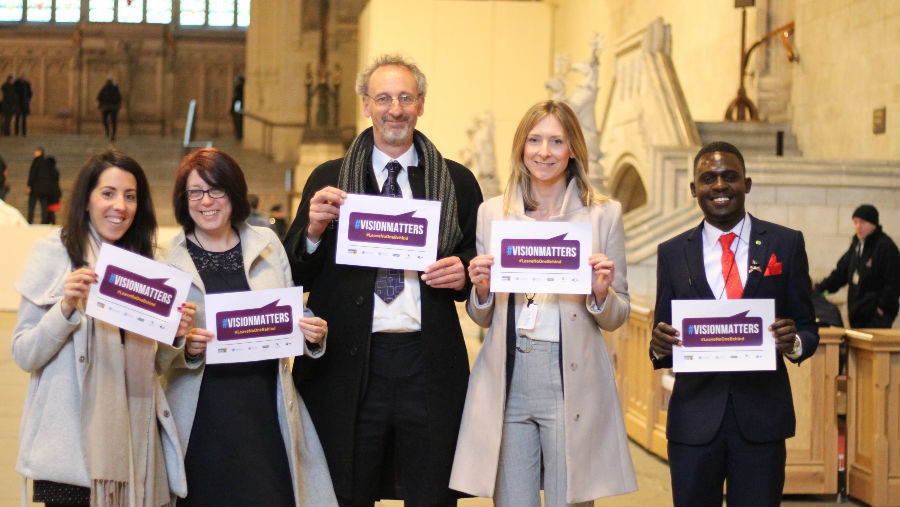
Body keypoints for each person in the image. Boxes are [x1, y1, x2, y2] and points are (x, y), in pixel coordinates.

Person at [284, 54, 483, 506]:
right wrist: (313, 230)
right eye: (384, 98)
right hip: (346, 362)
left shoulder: (456, 181)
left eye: (406, 98)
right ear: (366, 104)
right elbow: (296, 272)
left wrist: (464, 272)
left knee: (431, 491)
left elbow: (478, 261)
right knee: (343, 489)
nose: (395, 109)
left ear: (422, 104)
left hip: (426, 361)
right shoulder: (329, 178)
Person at [449, 100, 636, 506]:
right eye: (534, 140)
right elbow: (482, 317)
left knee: (569, 501)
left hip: (571, 377)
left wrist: (601, 293)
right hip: (510, 373)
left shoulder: (603, 214)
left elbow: (618, 314)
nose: (543, 152)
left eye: (555, 141)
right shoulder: (492, 213)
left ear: (573, 149)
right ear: (521, 147)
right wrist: (480, 289)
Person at [12, 149, 194, 506]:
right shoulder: (54, 254)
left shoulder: (148, 269)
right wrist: (64, 308)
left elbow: (155, 366)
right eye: (108, 193)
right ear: (86, 200)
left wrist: (175, 335)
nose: (120, 206)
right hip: (70, 456)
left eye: (130, 196)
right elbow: (24, 353)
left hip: (137, 447)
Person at [159, 148, 337, 507]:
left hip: (265, 408)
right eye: (195, 192)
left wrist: (312, 334)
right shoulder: (167, 259)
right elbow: (156, 353)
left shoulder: (267, 243)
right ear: (183, 199)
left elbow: (288, 314)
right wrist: (185, 347)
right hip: (201, 413)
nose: (206, 201)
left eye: (216, 190)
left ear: (234, 193)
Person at [649, 141, 819, 507]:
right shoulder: (672, 252)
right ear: (694, 189)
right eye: (708, 178)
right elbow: (661, 332)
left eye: (730, 177)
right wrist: (658, 344)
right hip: (694, 420)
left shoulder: (786, 244)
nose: (720, 186)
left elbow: (807, 326)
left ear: (748, 183)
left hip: (761, 419)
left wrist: (794, 341)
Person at [815, 205, 900, 328]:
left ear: (873, 224)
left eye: (863, 222)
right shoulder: (856, 246)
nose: (858, 226)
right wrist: (819, 288)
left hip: (876, 316)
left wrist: (883, 308)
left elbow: (893, 282)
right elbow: (840, 274)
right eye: (855, 222)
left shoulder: (885, 247)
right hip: (857, 314)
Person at [27, 147, 57, 224]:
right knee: (44, 206)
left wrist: (29, 185)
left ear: (39, 152)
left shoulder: (36, 161)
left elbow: (32, 174)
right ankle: (44, 221)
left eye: (36, 151)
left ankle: (30, 220)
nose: (34, 153)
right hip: (45, 189)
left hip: (35, 188)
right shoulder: (47, 163)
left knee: (32, 205)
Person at [14, 70, 32, 136]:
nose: (23, 76)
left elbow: (30, 92)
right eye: (22, 75)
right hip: (18, 103)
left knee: (24, 119)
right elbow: (14, 92)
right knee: (17, 118)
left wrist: (28, 99)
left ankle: (24, 132)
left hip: (24, 103)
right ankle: (16, 132)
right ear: (20, 75)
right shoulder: (16, 82)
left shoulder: (27, 83)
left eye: (24, 75)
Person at [231, 75, 244, 140]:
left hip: (238, 109)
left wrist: (236, 110)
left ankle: (239, 135)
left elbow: (237, 100)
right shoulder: (239, 88)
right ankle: (238, 135)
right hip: (238, 108)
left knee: (238, 122)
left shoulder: (239, 88)